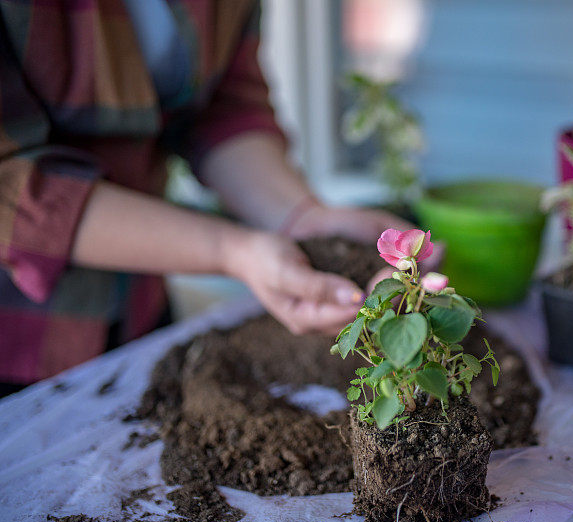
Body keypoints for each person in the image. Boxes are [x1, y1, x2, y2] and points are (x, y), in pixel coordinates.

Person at [0, 0, 407, 395]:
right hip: (21, 337)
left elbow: (224, 108)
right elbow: (12, 184)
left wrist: (303, 217)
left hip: (140, 304)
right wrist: (236, 251)